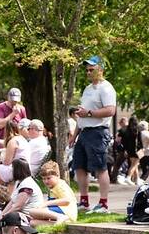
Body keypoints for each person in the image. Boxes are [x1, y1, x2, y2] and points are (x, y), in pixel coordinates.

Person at [71, 55, 117, 214]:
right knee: (79, 167)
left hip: (98, 132)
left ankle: (103, 204)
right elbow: (82, 114)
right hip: (84, 132)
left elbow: (111, 110)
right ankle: (84, 202)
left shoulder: (106, 88)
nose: (88, 72)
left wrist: (89, 113)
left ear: (101, 69)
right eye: (87, 70)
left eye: (92, 69)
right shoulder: (88, 88)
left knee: (100, 167)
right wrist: (74, 135)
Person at [29, 161, 77, 225]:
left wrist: (46, 203)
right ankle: (60, 223)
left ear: (57, 176)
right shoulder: (52, 188)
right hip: (62, 214)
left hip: (67, 212)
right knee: (32, 222)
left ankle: (60, 217)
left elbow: (67, 200)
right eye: (44, 179)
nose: (46, 181)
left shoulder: (60, 185)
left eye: (49, 178)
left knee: (32, 211)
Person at [0, 120, 30, 186]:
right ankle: (1, 189)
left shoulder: (13, 142)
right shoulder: (22, 139)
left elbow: (7, 162)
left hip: (16, 170)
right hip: (25, 169)